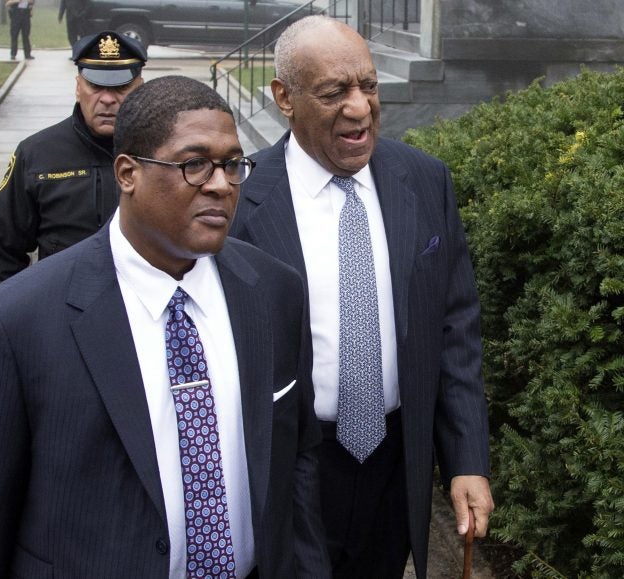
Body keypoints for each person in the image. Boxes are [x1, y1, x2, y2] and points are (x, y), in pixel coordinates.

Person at [0, 75, 330, 578]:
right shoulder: (16, 323)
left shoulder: (275, 291)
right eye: (194, 164)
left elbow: (297, 459)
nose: (220, 184)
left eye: (232, 165)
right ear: (127, 173)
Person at [229, 15, 494, 579]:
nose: (359, 108)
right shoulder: (240, 202)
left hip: (395, 464)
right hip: (292, 467)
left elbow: (454, 327)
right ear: (284, 97)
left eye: (368, 86)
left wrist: (466, 460)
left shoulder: (424, 180)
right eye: (334, 92)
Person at [0, 31, 146, 293]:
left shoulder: (164, 152)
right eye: (96, 86)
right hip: (61, 307)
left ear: (140, 88)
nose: (107, 99)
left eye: (120, 88)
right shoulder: (37, 153)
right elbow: (4, 251)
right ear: (78, 87)